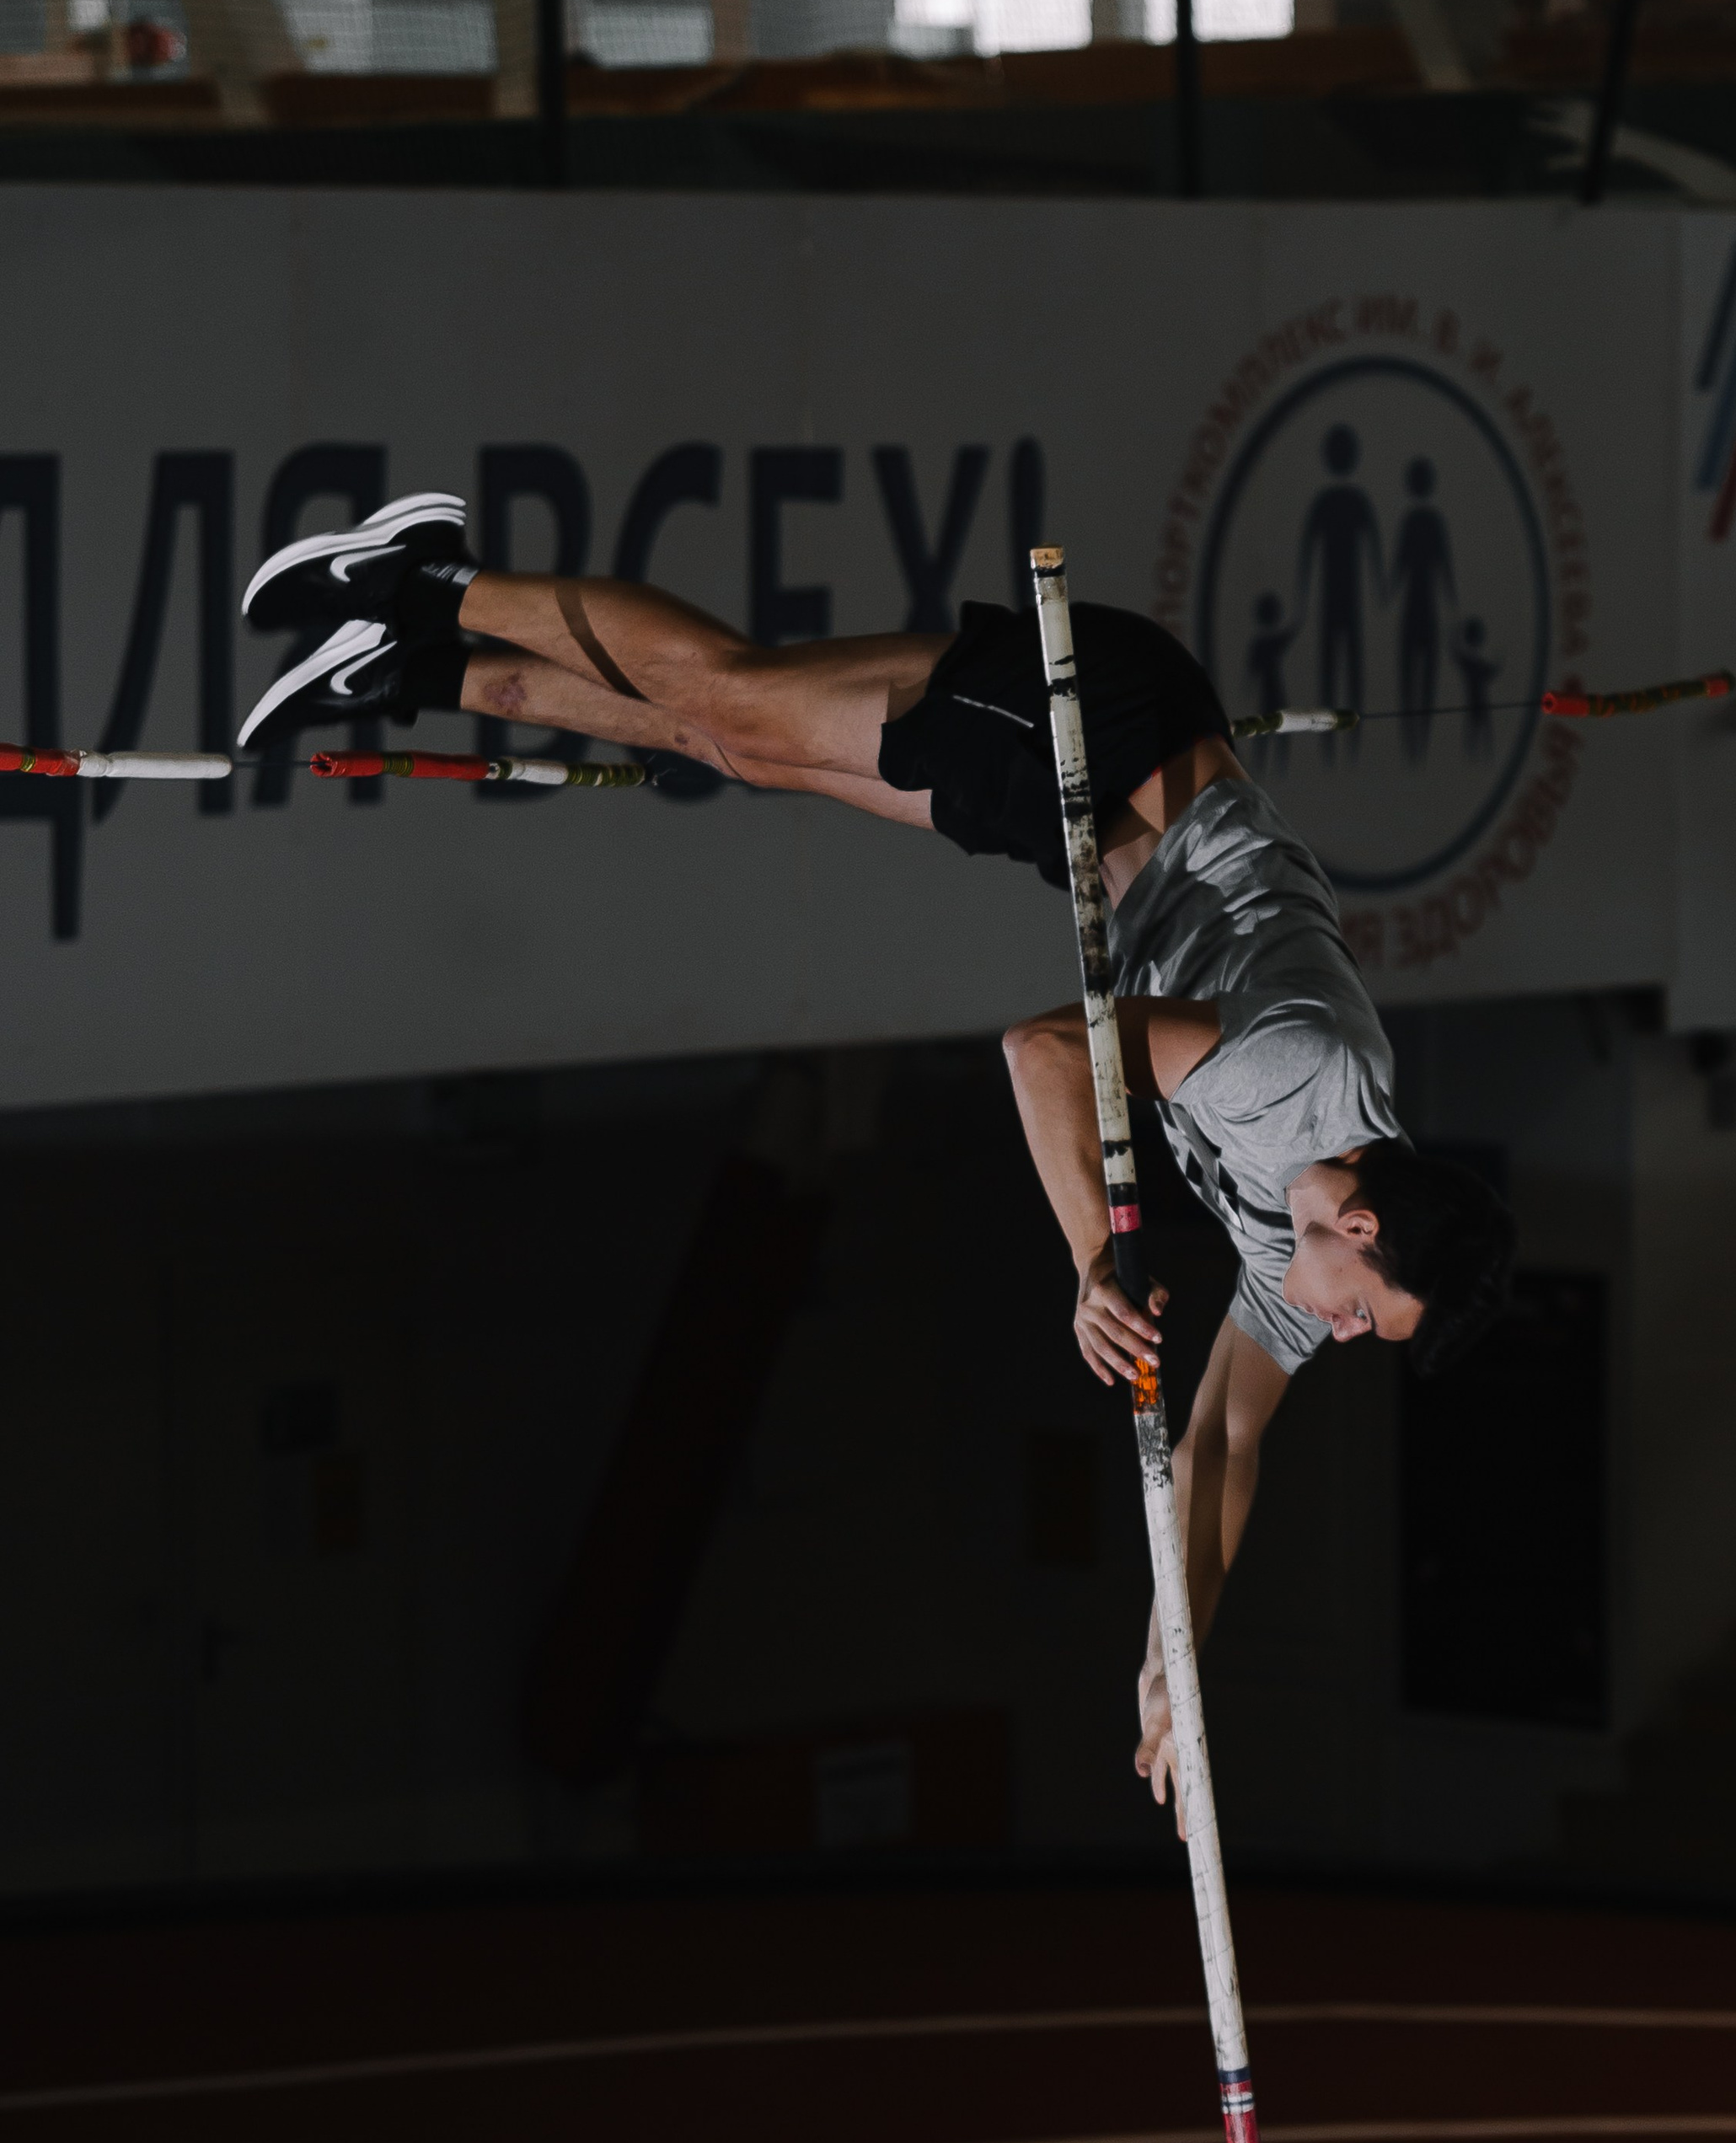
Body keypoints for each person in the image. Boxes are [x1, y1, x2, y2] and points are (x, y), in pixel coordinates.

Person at [239, 494, 1515, 1824]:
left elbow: (1226, 1447)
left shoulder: (1289, 1236)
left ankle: (409, 665)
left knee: (744, 755)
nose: (1351, 1337)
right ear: (1362, 1232)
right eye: (1371, 1318)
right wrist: (1092, 1258)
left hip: (1080, 832)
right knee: (733, 701)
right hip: (1104, 733)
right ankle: (426, 578)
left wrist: (1170, 1664)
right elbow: (1044, 1054)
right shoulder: (1299, 1075)